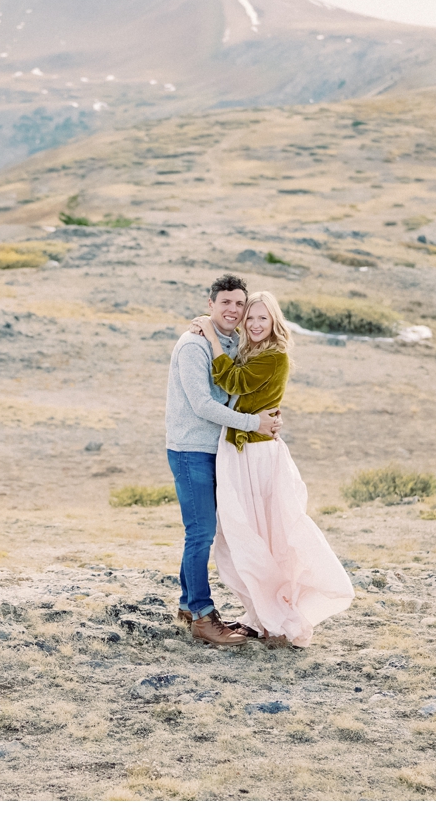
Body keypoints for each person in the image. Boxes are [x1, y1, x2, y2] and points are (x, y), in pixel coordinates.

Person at [188, 290, 355, 649]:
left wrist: (212, 336)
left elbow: (232, 382)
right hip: (242, 451)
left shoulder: (275, 356)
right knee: (242, 534)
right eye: (250, 318)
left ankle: (279, 613)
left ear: (274, 320)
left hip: (259, 457)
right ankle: (261, 613)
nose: (254, 323)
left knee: (264, 533)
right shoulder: (254, 352)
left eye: (262, 317)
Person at [164, 274, 282, 647]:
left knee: (205, 532)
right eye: (225, 302)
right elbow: (203, 405)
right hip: (190, 449)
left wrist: (266, 416)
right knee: (200, 533)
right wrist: (254, 424)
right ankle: (202, 615)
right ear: (210, 303)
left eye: (239, 304)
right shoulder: (193, 345)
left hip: (219, 451)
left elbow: (240, 389)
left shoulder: (233, 344)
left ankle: (188, 605)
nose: (233, 310)